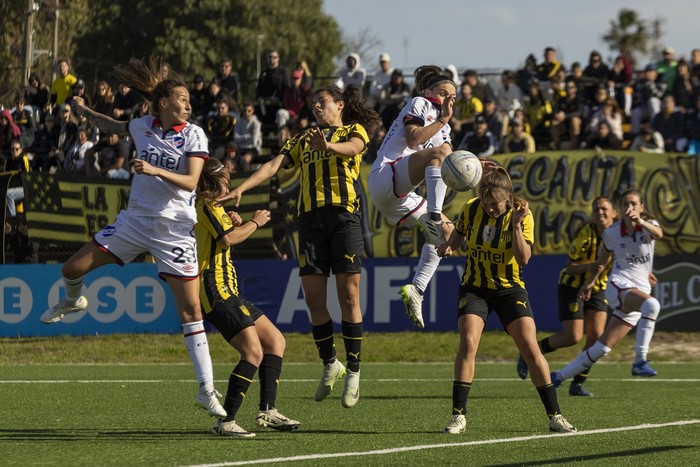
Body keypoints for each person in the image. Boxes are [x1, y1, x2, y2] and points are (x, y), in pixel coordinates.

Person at [39, 57, 226, 419]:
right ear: (163, 103)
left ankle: (206, 389)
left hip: (174, 229)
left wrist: (153, 168)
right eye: (182, 99)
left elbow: (190, 181)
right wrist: (85, 110)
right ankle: (74, 302)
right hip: (136, 221)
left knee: (191, 311)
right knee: (71, 268)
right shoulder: (141, 125)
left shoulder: (194, 134)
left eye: (189, 101)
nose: (188, 105)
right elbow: (112, 124)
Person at [221, 84, 381, 409]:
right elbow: (273, 165)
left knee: (348, 295)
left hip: (344, 218)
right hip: (309, 221)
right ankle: (330, 362)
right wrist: (242, 188)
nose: (316, 108)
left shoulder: (353, 129)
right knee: (313, 298)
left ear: (339, 104)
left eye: (322, 102)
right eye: (313, 104)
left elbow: (353, 148)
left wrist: (329, 147)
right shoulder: (304, 138)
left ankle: (353, 370)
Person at [437, 167, 576, 434]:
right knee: (468, 342)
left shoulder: (522, 214)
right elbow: (460, 232)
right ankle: (458, 415)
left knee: (530, 347)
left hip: (509, 288)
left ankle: (555, 415)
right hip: (474, 287)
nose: (490, 209)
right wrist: (450, 245)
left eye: (496, 205)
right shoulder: (471, 207)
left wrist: (514, 224)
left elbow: (524, 258)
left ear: (508, 197)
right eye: (486, 204)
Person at [368, 66, 495, 329]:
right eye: (443, 92)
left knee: (450, 238)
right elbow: (414, 140)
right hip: (384, 176)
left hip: (401, 194)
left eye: (453, 95)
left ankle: (417, 290)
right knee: (439, 154)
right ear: (428, 91)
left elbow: (450, 161)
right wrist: (443, 120)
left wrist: (475, 163)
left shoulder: (443, 129)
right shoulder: (421, 103)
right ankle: (434, 217)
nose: (449, 98)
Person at [195, 158, 299, 437]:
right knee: (253, 352)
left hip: (229, 291)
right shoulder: (206, 206)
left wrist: (232, 222)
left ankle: (268, 409)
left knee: (276, 340)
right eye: (225, 179)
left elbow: (223, 235)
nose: (228, 184)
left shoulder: (213, 209)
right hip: (215, 291)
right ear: (214, 181)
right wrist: (255, 222)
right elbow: (229, 239)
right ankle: (225, 421)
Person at [552, 190, 663, 388]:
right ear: (620, 208)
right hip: (619, 286)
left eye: (634, 204)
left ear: (641, 207)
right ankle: (640, 361)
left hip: (639, 291)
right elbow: (602, 262)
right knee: (652, 305)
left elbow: (659, 235)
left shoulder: (649, 226)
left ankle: (558, 377)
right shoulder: (612, 233)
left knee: (602, 347)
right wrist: (590, 282)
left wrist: (641, 222)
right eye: (626, 204)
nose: (630, 208)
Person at [516, 197, 616, 397]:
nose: (600, 213)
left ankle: (577, 383)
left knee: (596, 340)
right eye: (596, 209)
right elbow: (570, 268)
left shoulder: (620, 234)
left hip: (598, 287)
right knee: (573, 337)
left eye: (604, 209)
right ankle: (530, 353)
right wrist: (590, 266)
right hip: (572, 285)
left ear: (614, 213)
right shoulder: (586, 234)